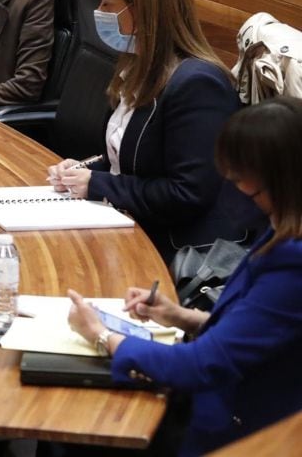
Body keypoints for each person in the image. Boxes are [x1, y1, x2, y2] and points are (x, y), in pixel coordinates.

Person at [66, 96, 302, 456]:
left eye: (243, 177)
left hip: (236, 433)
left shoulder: (293, 263)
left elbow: (201, 365)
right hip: (218, 400)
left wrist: (101, 336)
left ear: (278, 177)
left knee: (86, 422)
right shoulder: (283, 227)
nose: (235, 184)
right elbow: (251, 332)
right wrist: (178, 316)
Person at [47, 0, 265, 262]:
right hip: (133, 225)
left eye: (107, 4)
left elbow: (187, 194)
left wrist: (97, 184)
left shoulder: (199, 85)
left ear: (142, 9)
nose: (98, 13)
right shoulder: (135, 66)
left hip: (178, 251)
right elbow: (136, 160)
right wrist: (84, 170)